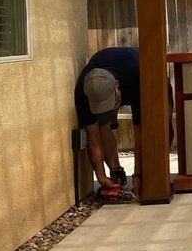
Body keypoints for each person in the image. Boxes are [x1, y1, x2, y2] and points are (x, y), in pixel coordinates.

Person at [74, 47, 173, 197]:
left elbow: (140, 133)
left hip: (148, 75)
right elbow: (93, 139)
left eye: (110, 103)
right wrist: (101, 176)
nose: (109, 109)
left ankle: (159, 173)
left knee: (162, 126)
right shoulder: (84, 91)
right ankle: (116, 173)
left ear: (116, 85)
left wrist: (138, 175)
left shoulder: (138, 77)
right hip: (116, 78)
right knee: (102, 125)